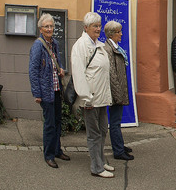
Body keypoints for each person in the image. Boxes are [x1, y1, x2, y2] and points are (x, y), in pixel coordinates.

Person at [72, 12, 115, 178]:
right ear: (86, 28)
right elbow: (78, 73)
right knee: (94, 134)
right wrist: (86, 97)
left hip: (102, 98)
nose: (98, 29)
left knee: (103, 130)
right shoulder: (81, 45)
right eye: (94, 26)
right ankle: (96, 167)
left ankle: (100, 159)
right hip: (90, 99)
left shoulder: (99, 44)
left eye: (99, 26)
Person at [29, 13, 69, 169]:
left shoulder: (55, 43)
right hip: (45, 92)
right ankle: (49, 155)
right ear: (40, 29)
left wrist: (60, 70)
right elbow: (33, 70)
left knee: (58, 121)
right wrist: (36, 93)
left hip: (56, 89)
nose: (50, 29)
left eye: (51, 26)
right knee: (49, 124)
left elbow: (54, 64)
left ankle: (57, 150)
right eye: (46, 26)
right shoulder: (38, 45)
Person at [103, 21, 134, 161]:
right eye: (119, 32)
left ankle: (120, 144)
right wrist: (118, 95)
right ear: (112, 34)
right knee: (115, 122)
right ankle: (118, 150)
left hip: (118, 90)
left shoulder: (115, 47)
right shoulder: (108, 49)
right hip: (115, 92)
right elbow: (112, 75)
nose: (121, 34)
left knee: (117, 121)